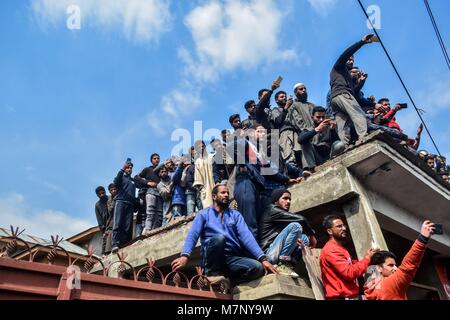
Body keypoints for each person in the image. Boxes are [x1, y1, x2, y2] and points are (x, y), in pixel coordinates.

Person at [171, 184, 278, 286]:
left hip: (231, 258)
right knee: (219, 239)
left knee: (257, 268)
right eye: (223, 192)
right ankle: (212, 275)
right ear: (214, 196)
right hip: (212, 257)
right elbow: (192, 235)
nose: (226, 195)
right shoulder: (203, 214)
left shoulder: (235, 215)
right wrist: (185, 256)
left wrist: (263, 259)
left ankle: (229, 282)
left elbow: (247, 237)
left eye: (227, 193)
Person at [365, 220, 437, 300]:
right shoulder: (389, 285)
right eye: (390, 265)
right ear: (379, 268)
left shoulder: (371, 289)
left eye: (395, 265)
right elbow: (408, 267)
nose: (396, 268)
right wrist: (423, 238)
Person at [330, 35, 376, 146]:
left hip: (336, 99)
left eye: (352, 59)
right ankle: (363, 137)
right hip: (342, 94)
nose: (351, 61)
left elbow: (354, 92)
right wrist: (362, 42)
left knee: (343, 123)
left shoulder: (346, 76)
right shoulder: (339, 67)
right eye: (349, 59)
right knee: (358, 113)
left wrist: (361, 82)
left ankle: (343, 146)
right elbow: (345, 54)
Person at [260, 189, 317, 277]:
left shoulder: (281, 215)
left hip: (277, 252)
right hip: (269, 254)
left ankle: (289, 264)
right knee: (296, 226)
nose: (288, 201)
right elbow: (301, 219)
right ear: (276, 200)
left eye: (289, 199)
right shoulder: (271, 209)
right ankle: (282, 263)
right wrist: (312, 235)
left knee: (304, 238)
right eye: (285, 198)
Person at [320, 215, 377, 300]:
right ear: (329, 231)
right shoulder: (331, 250)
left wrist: (367, 258)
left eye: (344, 225)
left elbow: (351, 264)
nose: (344, 228)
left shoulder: (340, 248)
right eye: (339, 226)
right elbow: (349, 273)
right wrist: (367, 258)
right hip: (341, 298)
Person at [111, 160, 137, 253]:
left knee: (128, 226)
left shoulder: (132, 181)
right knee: (118, 223)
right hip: (121, 202)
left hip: (130, 205)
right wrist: (122, 168)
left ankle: (125, 244)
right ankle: (115, 244)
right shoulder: (121, 177)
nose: (129, 169)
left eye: (131, 168)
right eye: (128, 167)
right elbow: (115, 182)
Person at [134, 153, 162, 236]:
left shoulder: (161, 170)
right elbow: (136, 177)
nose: (156, 160)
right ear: (151, 160)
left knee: (159, 215)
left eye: (158, 158)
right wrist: (147, 182)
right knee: (150, 213)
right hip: (150, 192)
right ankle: (146, 231)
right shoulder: (147, 169)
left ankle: (155, 232)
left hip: (160, 194)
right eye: (154, 158)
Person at [94, 186, 110, 255]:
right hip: (105, 225)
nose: (102, 195)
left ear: (105, 192)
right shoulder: (97, 205)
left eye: (103, 193)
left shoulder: (110, 198)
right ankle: (104, 254)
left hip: (113, 221)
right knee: (105, 239)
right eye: (99, 194)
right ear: (97, 195)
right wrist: (102, 229)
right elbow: (99, 218)